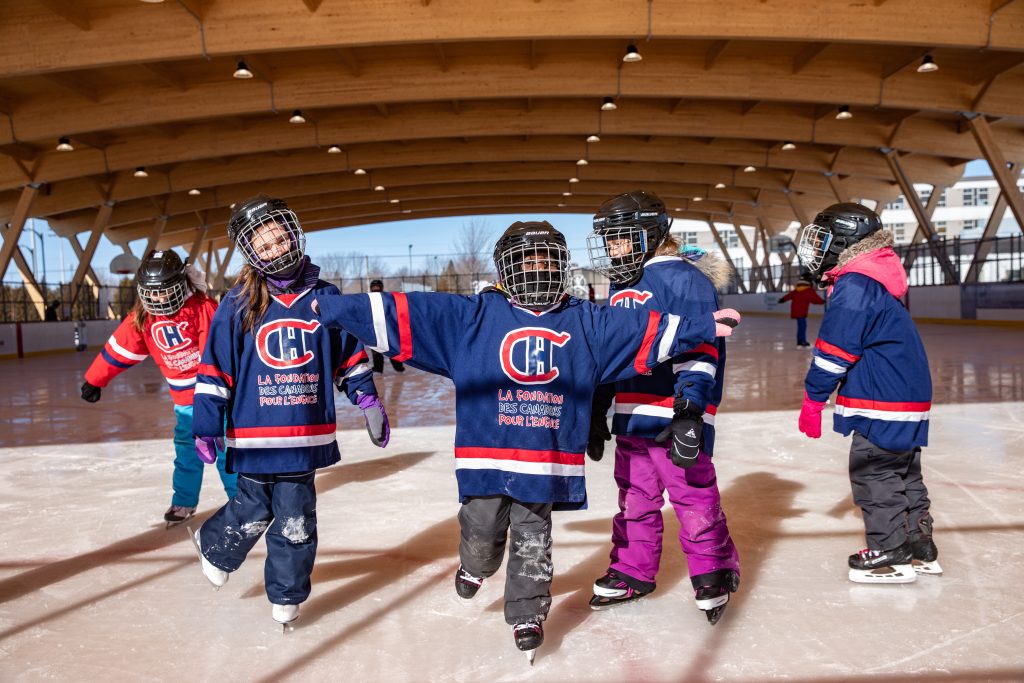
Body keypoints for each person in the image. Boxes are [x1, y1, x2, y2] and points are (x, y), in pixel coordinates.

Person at [309, 220, 741, 660]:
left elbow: (640, 332)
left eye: (547, 259)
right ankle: (476, 566)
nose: (536, 268)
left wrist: (702, 325)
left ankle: (528, 613)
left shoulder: (585, 320)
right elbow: (408, 314)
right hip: (487, 459)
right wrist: (334, 309)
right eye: (525, 260)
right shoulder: (472, 317)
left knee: (534, 539)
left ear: (561, 266)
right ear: (505, 268)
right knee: (482, 532)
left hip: (543, 462)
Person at [189, 196, 390, 628]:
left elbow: (349, 358)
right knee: (253, 507)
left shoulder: (325, 297)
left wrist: (367, 399)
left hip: (306, 437)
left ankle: (287, 593)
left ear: (295, 234)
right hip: (256, 434)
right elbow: (215, 369)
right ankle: (216, 547)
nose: (277, 248)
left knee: (297, 520)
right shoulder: (238, 303)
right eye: (266, 245)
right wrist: (206, 424)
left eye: (281, 238)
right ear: (253, 254)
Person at [584, 190, 740, 625]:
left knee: (692, 496)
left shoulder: (683, 280)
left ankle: (714, 569)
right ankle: (633, 570)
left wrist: (689, 410)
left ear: (648, 233)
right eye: (608, 240)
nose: (612, 249)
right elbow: (611, 353)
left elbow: (701, 347)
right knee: (634, 499)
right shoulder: (622, 284)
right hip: (633, 414)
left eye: (619, 238)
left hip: (675, 415)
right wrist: (598, 408)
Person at [796, 202, 939, 584]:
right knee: (903, 472)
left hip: (883, 397)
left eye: (824, 239)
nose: (817, 248)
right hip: (905, 394)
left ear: (845, 240)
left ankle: (890, 553)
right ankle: (919, 546)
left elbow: (835, 351)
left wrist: (813, 399)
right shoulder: (873, 277)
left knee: (874, 473)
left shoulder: (855, 284)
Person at [81, 250, 236, 528]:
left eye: (163, 291)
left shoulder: (203, 309)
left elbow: (218, 353)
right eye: (150, 293)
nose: (156, 298)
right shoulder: (143, 316)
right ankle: (185, 501)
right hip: (184, 405)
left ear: (181, 284)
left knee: (225, 449)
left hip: (214, 398)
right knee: (187, 453)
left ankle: (240, 500)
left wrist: (219, 393)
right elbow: (120, 348)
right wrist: (95, 379)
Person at [367, 279, 405, 374]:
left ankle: (398, 367)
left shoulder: (387, 297)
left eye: (377, 287)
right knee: (376, 349)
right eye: (374, 287)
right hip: (375, 327)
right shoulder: (368, 298)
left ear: (381, 287)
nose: (376, 289)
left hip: (387, 327)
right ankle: (378, 368)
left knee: (391, 347)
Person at [778, 277, 824, 347]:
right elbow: (815, 299)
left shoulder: (796, 290)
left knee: (800, 326)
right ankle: (802, 341)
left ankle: (799, 341)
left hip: (796, 311)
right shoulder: (809, 290)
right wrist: (822, 301)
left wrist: (782, 300)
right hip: (802, 312)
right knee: (802, 326)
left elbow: (788, 296)